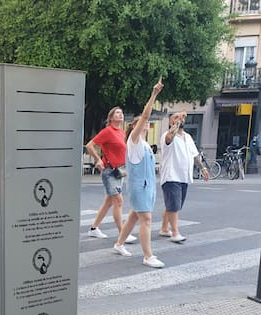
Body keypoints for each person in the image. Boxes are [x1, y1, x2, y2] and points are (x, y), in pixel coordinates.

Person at [113, 78, 165, 268]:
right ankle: (147, 256)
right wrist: (154, 94)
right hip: (140, 187)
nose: (147, 123)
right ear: (137, 126)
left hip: (146, 186)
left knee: (134, 216)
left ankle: (119, 244)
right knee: (146, 219)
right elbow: (144, 115)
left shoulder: (143, 144)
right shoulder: (134, 141)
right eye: (144, 122)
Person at [85, 107, 137, 243]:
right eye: (117, 113)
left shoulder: (122, 133)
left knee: (109, 202)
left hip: (119, 171)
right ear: (111, 118)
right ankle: (123, 233)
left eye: (121, 113)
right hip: (109, 171)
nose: (121, 115)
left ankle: (93, 229)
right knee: (118, 201)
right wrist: (97, 159)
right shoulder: (107, 131)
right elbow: (90, 145)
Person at [159, 111, 208, 242]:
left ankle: (164, 228)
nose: (179, 119)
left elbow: (194, 154)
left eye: (181, 117)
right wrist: (175, 125)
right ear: (170, 122)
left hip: (184, 176)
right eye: (175, 117)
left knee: (173, 204)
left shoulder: (187, 137)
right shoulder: (167, 135)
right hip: (171, 175)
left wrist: (202, 167)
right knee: (174, 205)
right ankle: (175, 233)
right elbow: (169, 139)